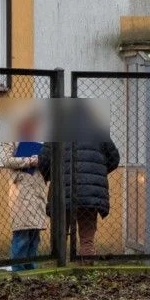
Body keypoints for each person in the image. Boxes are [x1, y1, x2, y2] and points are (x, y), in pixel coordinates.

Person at [38, 103, 120, 259]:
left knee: (61, 234)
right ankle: (87, 269)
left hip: (62, 191)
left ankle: (60, 268)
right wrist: (98, 173)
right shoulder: (98, 130)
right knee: (87, 239)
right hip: (90, 192)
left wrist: (51, 176)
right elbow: (114, 158)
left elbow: (43, 159)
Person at [1, 108, 47, 272]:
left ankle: (31, 267)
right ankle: (18, 269)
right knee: (22, 232)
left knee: (34, 232)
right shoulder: (11, 138)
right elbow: (7, 160)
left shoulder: (40, 141)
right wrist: (29, 161)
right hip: (21, 188)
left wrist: (44, 161)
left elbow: (46, 160)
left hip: (38, 187)